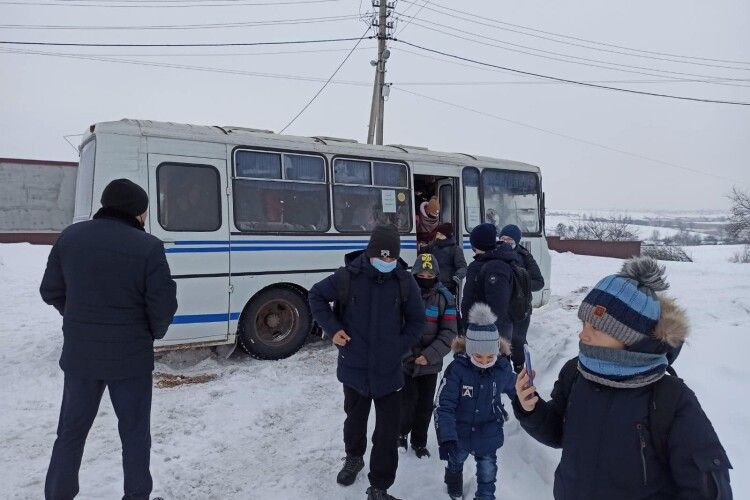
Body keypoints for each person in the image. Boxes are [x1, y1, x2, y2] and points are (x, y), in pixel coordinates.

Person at [514, 257, 733, 500]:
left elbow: (707, 490)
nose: (582, 333)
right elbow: (558, 433)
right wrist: (531, 408)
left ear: (630, 336)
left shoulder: (670, 398)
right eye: (584, 322)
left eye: (595, 327)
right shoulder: (576, 371)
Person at [40, 178, 178, 500]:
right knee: (134, 435)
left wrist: (79, 319)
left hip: (81, 359)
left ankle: (58, 494)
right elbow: (163, 306)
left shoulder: (70, 238)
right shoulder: (148, 247)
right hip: (131, 362)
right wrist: (150, 333)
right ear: (137, 212)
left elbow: (50, 291)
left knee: (70, 433)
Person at [308, 224, 425, 500]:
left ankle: (380, 485)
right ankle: (353, 457)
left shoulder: (404, 282)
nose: (386, 262)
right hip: (354, 368)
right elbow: (316, 296)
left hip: (389, 371)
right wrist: (333, 328)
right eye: (382, 257)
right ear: (371, 252)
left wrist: (398, 346)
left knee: (386, 433)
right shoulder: (348, 277)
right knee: (354, 420)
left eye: (391, 258)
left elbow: (417, 321)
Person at [434, 303, 517, 500]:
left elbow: (519, 392)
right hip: (460, 433)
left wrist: (528, 393)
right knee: (456, 461)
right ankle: (453, 482)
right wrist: (446, 438)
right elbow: (444, 405)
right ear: (469, 350)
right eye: (478, 355)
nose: (484, 360)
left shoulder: (501, 369)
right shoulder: (457, 370)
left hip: (488, 432)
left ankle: (485, 497)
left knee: (488, 474)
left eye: (490, 356)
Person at [399, 253, 458, 459]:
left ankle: (419, 441)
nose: (425, 276)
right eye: (421, 273)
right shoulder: (403, 295)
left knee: (424, 406)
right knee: (406, 403)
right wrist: (406, 354)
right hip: (405, 362)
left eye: (429, 273)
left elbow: (449, 332)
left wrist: (428, 356)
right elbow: (393, 328)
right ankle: (400, 434)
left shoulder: (445, 298)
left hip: (430, 364)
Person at [461, 223, 519, 342]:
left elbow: (497, 307)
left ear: (477, 244)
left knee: (491, 361)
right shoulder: (485, 263)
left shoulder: (495, 267)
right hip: (479, 330)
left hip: (488, 334)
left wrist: (485, 334)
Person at [498, 224, 545, 372]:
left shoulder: (525, 256)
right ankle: (503, 372)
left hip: (520, 309)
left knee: (517, 341)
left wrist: (520, 282)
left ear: (516, 241)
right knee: (501, 341)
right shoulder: (494, 253)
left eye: (509, 239)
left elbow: (539, 282)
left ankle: (519, 370)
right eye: (503, 238)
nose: (505, 242)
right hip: (501, 307)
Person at [423, 223, 468, 298]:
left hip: (448, 287)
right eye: (437, 234)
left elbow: (462, 267)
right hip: (431, 286)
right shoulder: (432, 247)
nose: (438, 236)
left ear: (447, 235)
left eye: (441, 234)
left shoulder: (455, 249)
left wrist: (456, 277)